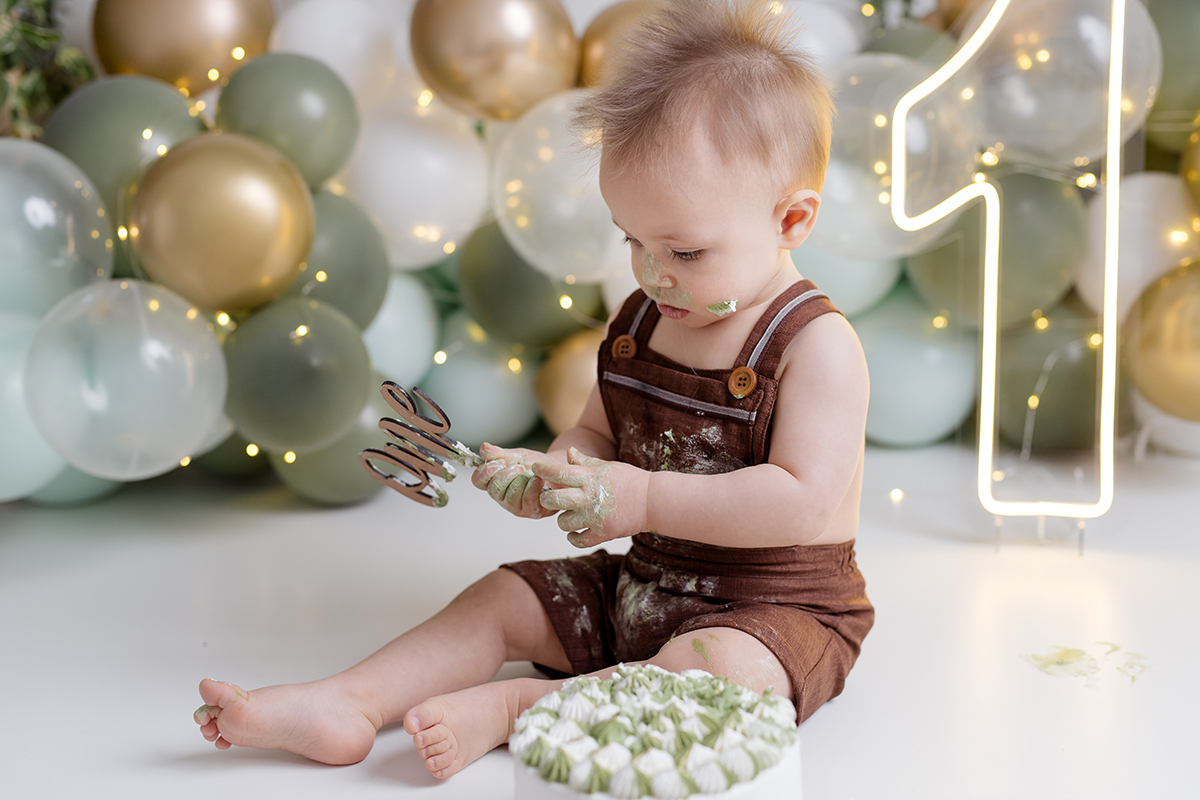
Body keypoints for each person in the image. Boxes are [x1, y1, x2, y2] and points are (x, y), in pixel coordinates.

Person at [192, 0, 873, 780]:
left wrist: (642, 501)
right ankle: (347, 699)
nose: (651, 274)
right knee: (503, 599)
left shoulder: (817, 347)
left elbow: (800, 501)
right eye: (633, 240)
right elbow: (595, 431)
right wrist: (559, 472)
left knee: (714, 672)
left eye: (684, 249)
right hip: (645, 586)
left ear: (791, 218)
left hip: (778, 613)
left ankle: (521, 709)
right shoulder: (644, 321)